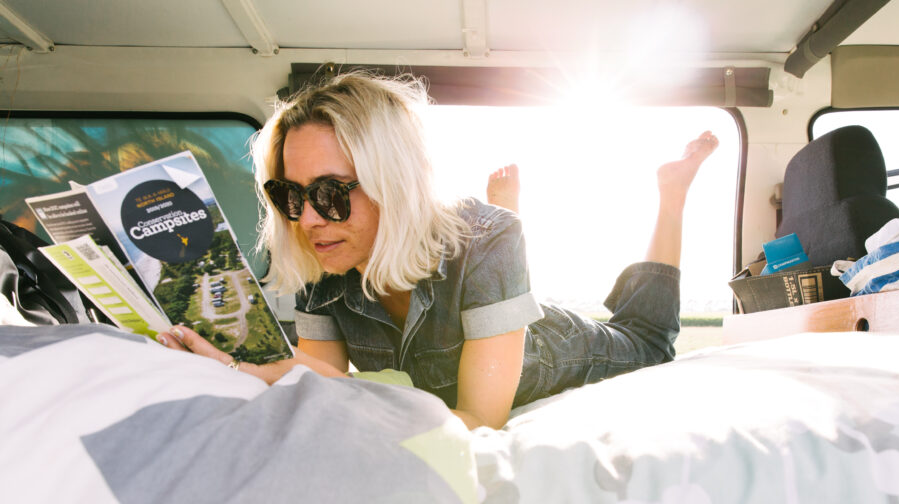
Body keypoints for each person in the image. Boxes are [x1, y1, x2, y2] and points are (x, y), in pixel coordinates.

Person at [159, 72, 719, 430]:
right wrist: (236, 369)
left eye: (329, 194)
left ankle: (672, 195)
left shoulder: (490, 234)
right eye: (289, 195)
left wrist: (320, 391)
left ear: (393, 183)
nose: (305, 219)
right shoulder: (322, 251)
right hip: (494, 300)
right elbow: (317, 382)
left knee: (651, 338)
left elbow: (478, 420)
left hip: (570, 348)